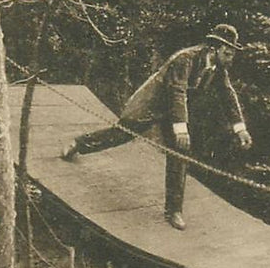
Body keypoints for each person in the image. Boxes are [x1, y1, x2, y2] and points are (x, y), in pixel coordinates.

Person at [61, 23, 253, 230]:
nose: (230, 58)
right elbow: (177, 91)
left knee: (180, 152)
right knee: (121, 135)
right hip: (151, 103)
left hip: (172, 111)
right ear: (214, 48)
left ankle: (174, 211)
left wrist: (240, 128)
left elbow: (228, 94)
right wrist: (181, 128)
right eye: (228, 53)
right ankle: (79, 143)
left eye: (232, 54)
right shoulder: (185, 59)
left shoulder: (218, 68)